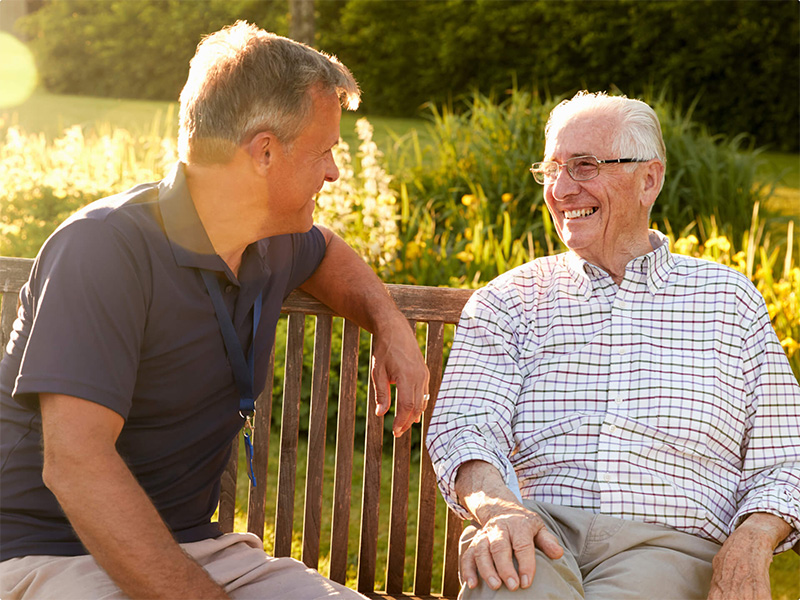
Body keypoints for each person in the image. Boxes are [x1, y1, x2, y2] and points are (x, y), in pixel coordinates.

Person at [0, 22, 429, 600]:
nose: (333, 171)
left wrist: (391, 324)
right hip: (46, 553)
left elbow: (327, 251)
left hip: (200, 551)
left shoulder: (269, 237)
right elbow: (76, 465)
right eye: (325, 150)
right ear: (265, 151)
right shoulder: (103, 249)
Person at [426, 91, 800, 600]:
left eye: (584, 166)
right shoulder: (510, 300)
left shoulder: (728, 301)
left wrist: (755, 537)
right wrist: (498, 508)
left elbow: (785, 454)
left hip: (669, 544)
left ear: (649, 179)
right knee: (510, 587)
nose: (560, 188)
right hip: (535, 530)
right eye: (552, 168)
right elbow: (465, 427)